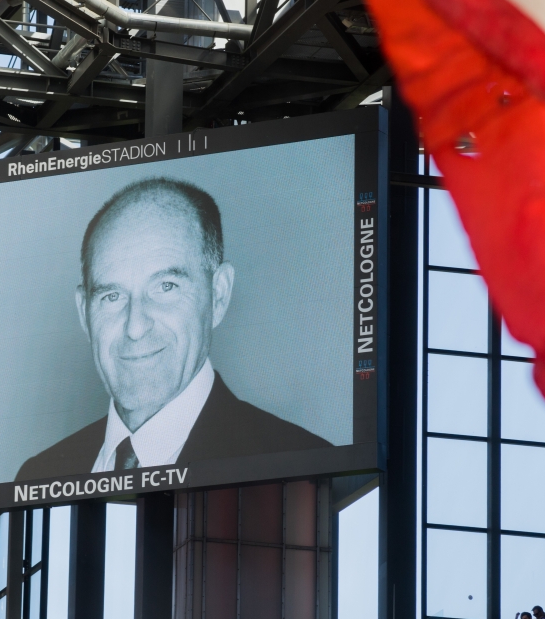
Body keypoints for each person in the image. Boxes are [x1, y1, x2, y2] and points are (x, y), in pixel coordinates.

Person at [17, 178, 331, 480]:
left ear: (218, 295)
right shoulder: (38, 474)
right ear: (84, 313)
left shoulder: (304, 467)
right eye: (112, 296)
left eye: (166, 286)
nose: (135, 327)